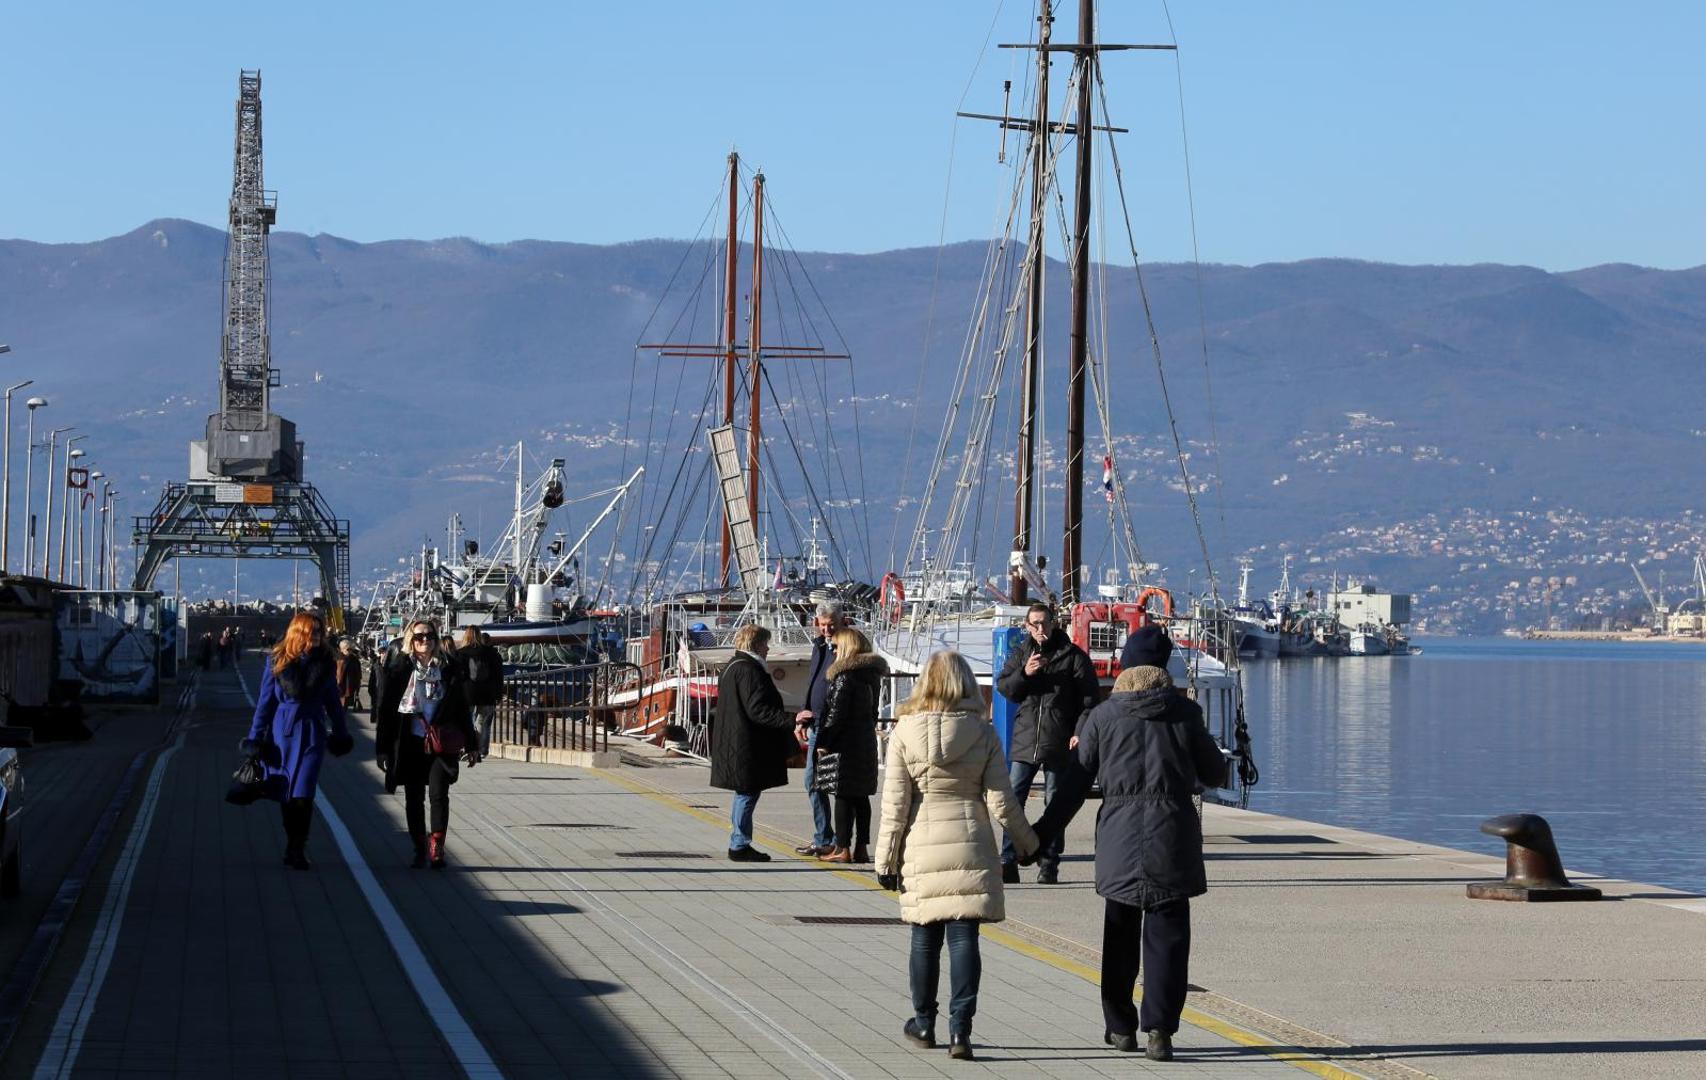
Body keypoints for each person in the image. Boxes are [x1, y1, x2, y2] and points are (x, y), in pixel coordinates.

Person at [875, 650, 1038, 1061]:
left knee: (924, 936)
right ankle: (960, 1031)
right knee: (965, 937)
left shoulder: (904, 732)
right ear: (965, 684)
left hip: (920, 842)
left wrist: (885, 860)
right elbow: (1001, 801)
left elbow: (894, 806)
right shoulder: (982, 733)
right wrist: (1027, 844)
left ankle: (924, 1022)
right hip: (971, 840)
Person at [1073, 660, 1229, 1063]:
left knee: (1119, 933)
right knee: (1169, 939)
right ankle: (1160, 1030)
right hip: (1172, 834)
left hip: (1119, 834)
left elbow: (1082, 764)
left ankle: (1120, 1026)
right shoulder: (1185, 714)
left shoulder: (1104, 715)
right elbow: (1215, 772)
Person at [994, 602, 1098, 884]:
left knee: (1055, 803)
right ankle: (1008, 858)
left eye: (1044, 623)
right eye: (1034, 624)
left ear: (1054, 624)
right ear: (1027, 626)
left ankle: (1049, 863)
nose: (1040, 629)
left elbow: (1089, 701)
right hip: (1026, 738)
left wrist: (1079, 731)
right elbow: (1006, 688)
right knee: (1013, 801)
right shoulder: (1021, 653)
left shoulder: (1074, 656)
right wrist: (1024, 674)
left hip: (1058, 739)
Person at [244, 611, 354, 870]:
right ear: (299, 633)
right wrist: (254, 739)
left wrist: (341, 732)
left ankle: (297, 846)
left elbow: (333, 704)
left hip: (311, 733)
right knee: (285, 792)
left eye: (319, 631)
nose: (316, 636)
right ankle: (291, 840)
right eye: (311, 631)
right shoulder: (277, 661)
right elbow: (264, 704)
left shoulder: (325, 663)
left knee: (303, 792)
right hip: (281, 734)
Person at [374, 618, 481, 869]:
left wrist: (472, 744)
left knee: (438, 794)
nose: (425, 641)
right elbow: (387, 711)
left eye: (430, 636)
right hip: (410, 741)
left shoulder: (448, 668)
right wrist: (382, 748)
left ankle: (437, 846)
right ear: (411, 640)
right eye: (420, 637)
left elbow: (462, 708)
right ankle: (419, 845)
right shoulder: (399, 669)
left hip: (441, 741)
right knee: (414, 797)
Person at [708, 624, 796, 862]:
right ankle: (739, 843)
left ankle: (739, 840)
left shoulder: (732, 667)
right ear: (756, 644)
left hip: (735, 740)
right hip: (747, 743)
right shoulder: (749, 670)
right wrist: (791, 720)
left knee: (744, 793)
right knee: (747, 793)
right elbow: (757, 709)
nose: (768, 649)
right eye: (765, 644)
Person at [813, 627, 887, 864]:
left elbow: (836, 714)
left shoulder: (844, 676)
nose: (833, 652)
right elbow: (873, 712)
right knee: (861, 797)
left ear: (846, 647)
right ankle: (862, 848)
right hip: (864, 742)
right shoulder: (871, 676)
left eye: (836, 647)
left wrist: (824, 741)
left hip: (845, 744)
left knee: (843, 796)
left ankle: (842, 848)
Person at [794, 600, 846, 856]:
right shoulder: (820, 646)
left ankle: (831, 839)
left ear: (841, 621)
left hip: (831, 725)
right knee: (814, 781)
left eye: (831, 625)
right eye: (823, 625)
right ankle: (826, 836)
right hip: (815, 723)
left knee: (824, 782)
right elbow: (814, 682)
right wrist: (804, 716)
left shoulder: (845, 648)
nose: (826, 629)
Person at [459, 626, 506, 756]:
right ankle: (480, 750)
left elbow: (458, 675)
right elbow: (498, 675)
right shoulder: (492, 653)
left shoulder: (461, 653)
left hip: (467, 693)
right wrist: (498, 693)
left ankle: (466, 748)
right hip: (487, 693)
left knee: (465, 721)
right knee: (483, 722)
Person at [336, 638, 363, 709]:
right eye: (347, 649)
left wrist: (357, 690)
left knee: (344, 708)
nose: (350, 651)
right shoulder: (338, 660)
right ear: (341, 649)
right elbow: (337, 676)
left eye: (350, 649)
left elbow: (358, 675)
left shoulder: (354, 660)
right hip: (339, 690)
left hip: (350, 689)